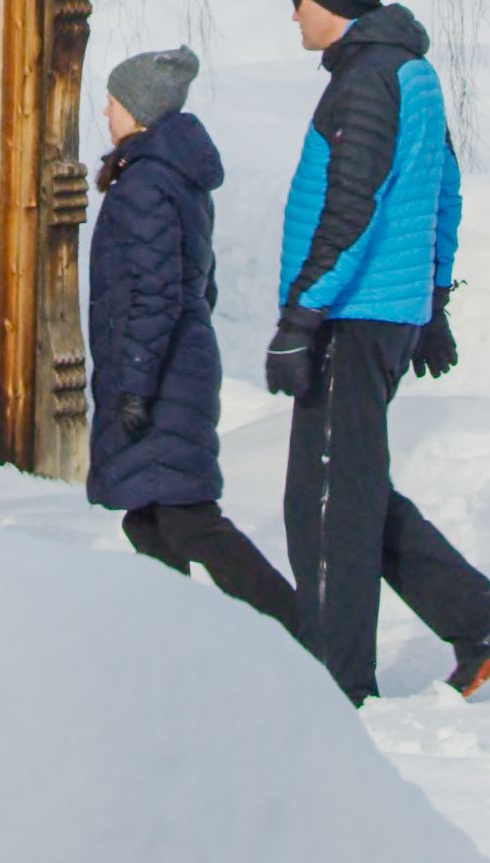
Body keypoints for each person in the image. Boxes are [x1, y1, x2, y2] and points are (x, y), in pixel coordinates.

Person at [266, 0, 490, 703]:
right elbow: (442, 192)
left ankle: (333, 684)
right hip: (384, 313)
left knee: (323, 504)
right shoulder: (410, 74)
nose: (292, 16)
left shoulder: (367, 80)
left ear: (334, 1)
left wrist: (301, 316)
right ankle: (479, 621)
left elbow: (353, 207)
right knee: (348, 487)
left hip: (352, 314)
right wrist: (434, 303)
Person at [87, 47, 297, 631]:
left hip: (162, 373)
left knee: (184, 519)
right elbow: (198, 287)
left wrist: (135, 384)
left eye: (116, 100)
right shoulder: (169, 176)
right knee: (150, 520)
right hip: (175, 364)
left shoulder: (148, 184)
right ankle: (178, 644)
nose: (106, 109)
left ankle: (303, 636)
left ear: (140, 111)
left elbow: (156, 295)